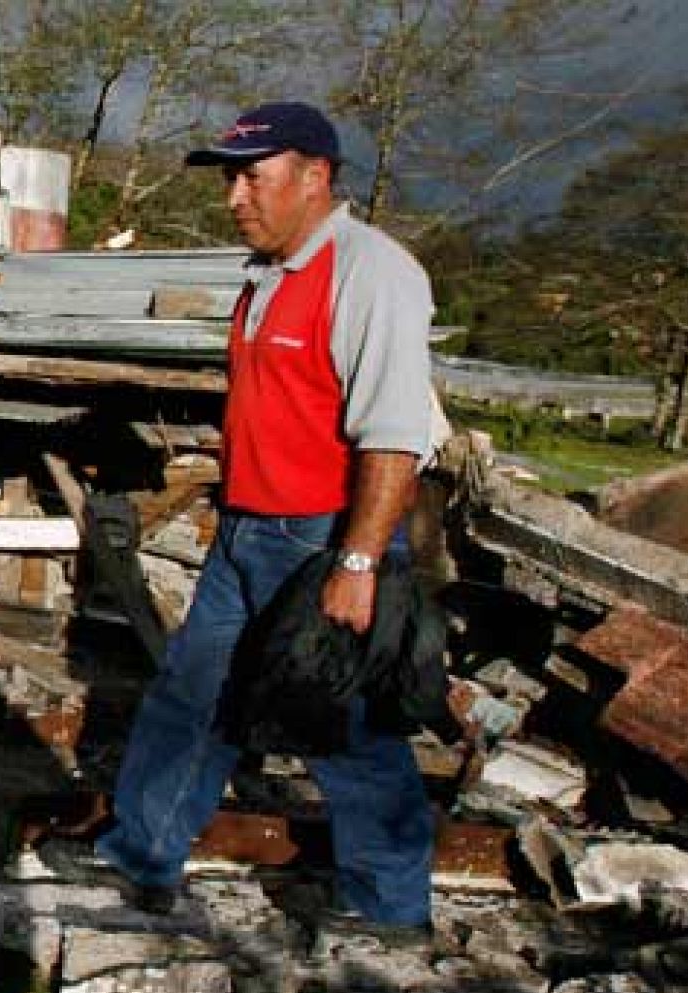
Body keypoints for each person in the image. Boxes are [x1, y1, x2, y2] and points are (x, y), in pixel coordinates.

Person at [88, 101, 441, 926]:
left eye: (252, 176)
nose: (234, 196)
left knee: (344, 722)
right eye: (230, 178)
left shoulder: (370, 273)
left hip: (323, 539)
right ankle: (142, 856)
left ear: (315, 176)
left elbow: (395, 436)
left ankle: (388, 909)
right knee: (193, 695)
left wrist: (357, 565)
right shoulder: (268, 273)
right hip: (249, 529)